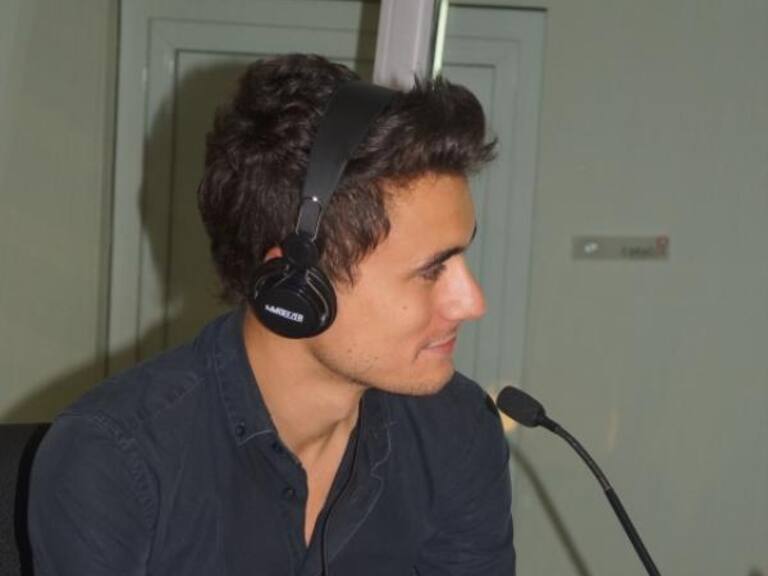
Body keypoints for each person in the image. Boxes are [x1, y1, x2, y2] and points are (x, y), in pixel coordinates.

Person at [28, 54, 515, 575]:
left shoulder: (457, 430)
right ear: (296, 286)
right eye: (431, 270)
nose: (472, 302)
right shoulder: (116, 460)